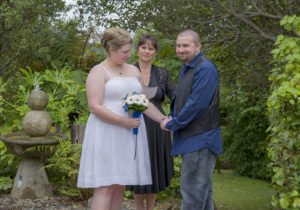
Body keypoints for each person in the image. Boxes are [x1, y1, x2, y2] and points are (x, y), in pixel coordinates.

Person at [77, 28, 167, 210]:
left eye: (129, 51)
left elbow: (144, 102)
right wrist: (123, 122)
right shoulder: (98, 71)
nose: (129, 55)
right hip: (106, 132)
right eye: (125, 52)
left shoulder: (133, 70)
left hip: (128, 135)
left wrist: (163, 119)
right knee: (105, 185)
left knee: (120, 185)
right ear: (111, 49)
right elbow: (94, 106)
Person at [161, 29, 223, 210]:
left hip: (201, 140)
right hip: (194, 139)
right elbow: (184, 98)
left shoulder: (205, 68)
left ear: (198, 46)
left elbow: (197, 104)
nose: (181, 49)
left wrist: (173, 123)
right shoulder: (188, 68)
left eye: (185, 45)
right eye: (178, 45)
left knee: (193, 194)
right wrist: (173, 115)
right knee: (202, 195)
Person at [127, 35, 176, 210]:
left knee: (154, 169)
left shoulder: (162, 73)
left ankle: (151, 208)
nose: (146, 51)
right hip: (134, 125)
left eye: (151, 48)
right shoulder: (127, 70)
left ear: (155, 52)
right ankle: (139, 207)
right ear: (137, 49)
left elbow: (176, 96)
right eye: (143, 47)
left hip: (158, 127)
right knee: (138, 169)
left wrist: (174, 117)